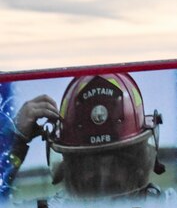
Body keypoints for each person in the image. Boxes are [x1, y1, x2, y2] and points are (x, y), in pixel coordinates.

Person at [5, 74, 164, 197]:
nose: (103, 175)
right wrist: (14, 141)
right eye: (89, 163)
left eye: (117, 162)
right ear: (69, 167)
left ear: (139, 164)